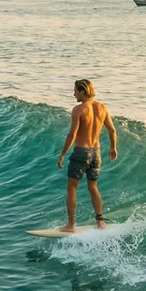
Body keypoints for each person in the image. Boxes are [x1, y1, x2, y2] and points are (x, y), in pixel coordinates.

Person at [56, 79, 118, 232]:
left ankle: (70, 225)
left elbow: (72, 134)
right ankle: (100, 222)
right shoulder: (102, 107)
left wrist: (63, 154)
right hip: (96, 153)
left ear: (83, 91)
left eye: (76, 91)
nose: (74, 94)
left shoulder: (78, 109)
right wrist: (113, 148)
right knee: (93, 187)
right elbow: (112, 130)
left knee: (72, 189)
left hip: (81, 153)